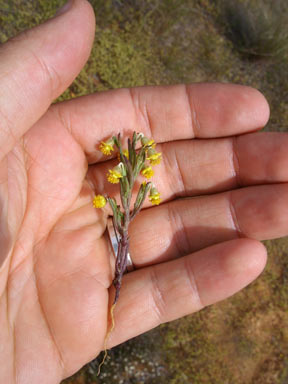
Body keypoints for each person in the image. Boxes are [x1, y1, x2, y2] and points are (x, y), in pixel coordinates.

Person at [1, 0, 287, 382]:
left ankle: (112, 308)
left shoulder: (129, 185)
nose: (129, 163)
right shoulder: (120, 181)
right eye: (128, 161)